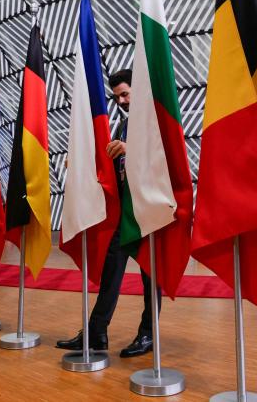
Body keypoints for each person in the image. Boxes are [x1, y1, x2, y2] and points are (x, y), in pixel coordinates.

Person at [56, 69, 161, 358]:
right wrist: (81, 165)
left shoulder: (156, 121)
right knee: (110, 274)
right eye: (117, 97)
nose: (122, 101)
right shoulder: (122, 128)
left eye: (126, 94)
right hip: (127, 214)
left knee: (151, 278)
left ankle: (148, 335)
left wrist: (132, 149)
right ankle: (96, 333)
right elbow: (109, 167)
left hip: (151, 213)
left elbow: (166, 161)